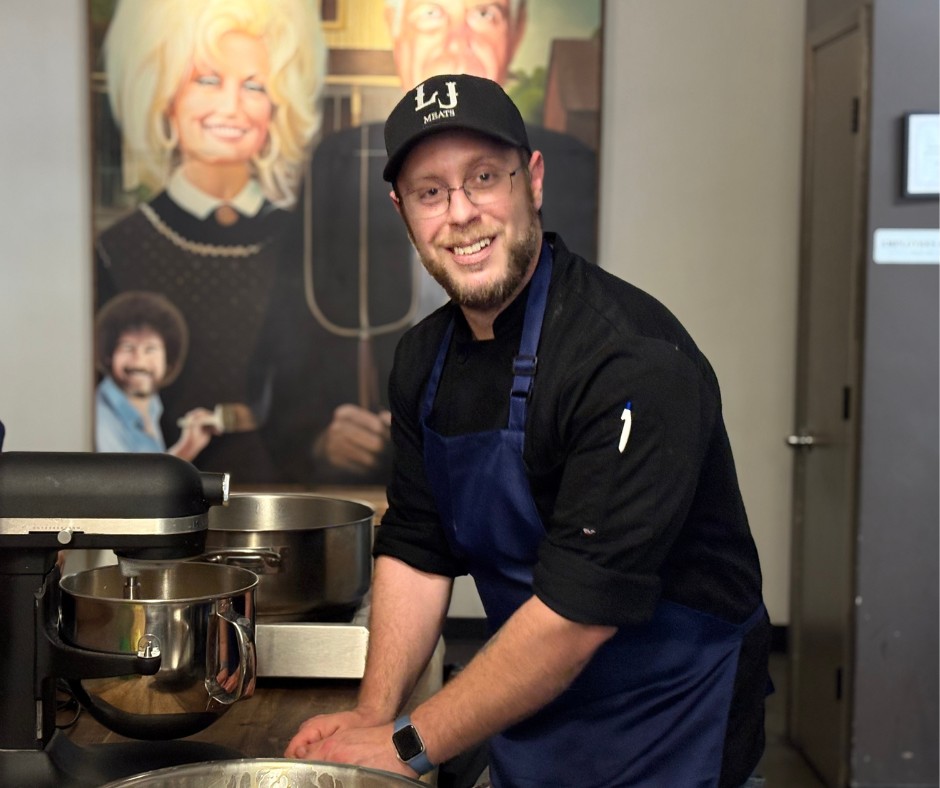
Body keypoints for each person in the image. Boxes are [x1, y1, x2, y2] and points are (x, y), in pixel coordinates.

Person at [283, 74, 771, 787]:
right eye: (430, 192)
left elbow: (576, 617)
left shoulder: (629, 362)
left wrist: (405, 746)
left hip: (671, 730)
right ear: (403, 211)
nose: (461, 213)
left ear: (533, 180)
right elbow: (417, 548)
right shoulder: (424, 360)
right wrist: (372, 717)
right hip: (531, 715)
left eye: (485, 178)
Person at [253, 0, 598, 485]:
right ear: (394, 30)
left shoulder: (618, 357)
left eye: (483, 14)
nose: (461, 212)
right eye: (431, 15)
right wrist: (315, 439)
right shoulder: (417, 358)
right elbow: (285, 357)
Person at [95, 0, 326, 483]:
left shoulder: (307, 243)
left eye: (254, 86)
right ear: (165, 94)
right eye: (207, 80)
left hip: (282, 498)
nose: (231, 107)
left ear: (278, 105)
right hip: (160, 501)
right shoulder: (117, 250)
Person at [95, 291, 217, 460]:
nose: (139, 360)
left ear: (167, 359)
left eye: (150, 349)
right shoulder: (100, 418)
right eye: (127, 347)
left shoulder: (152, 407)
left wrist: (189, 445)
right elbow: (119, 478)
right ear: (109, 355)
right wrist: (185, 451)